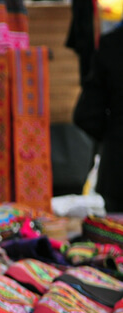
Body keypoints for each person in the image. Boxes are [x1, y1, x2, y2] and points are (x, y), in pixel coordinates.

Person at [74, 24, 123, 213]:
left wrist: (113, 137)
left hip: (118, 169)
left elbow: (86, 114)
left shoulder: (111, 44)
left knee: (116, 238)